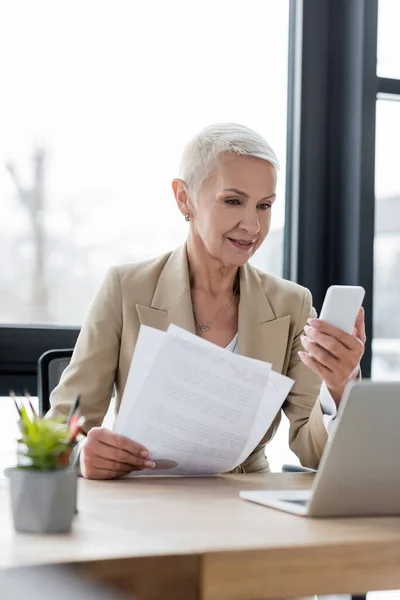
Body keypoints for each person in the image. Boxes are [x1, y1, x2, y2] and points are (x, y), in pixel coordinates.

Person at [48, 123, 365, 480]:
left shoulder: (291, 305)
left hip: (244, 503)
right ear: (184, 198)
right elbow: (61, 428)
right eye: (233, 201)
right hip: (145, 500)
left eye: (264, 205)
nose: (253, 225)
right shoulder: (126, 288)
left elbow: (314, 452)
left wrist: (338, 389)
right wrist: (80, 456)